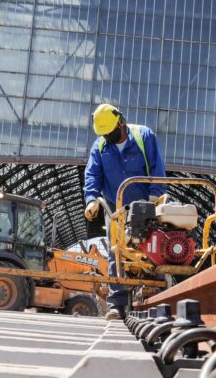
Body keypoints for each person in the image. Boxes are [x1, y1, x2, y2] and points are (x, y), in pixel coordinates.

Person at [83, 103, 166, 321]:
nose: (108, 137)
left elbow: (157, 169)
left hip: (147, 205)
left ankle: (155, 295)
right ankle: (117, 305)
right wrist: (92, 199)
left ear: (121, 122)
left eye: (110, 133)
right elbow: (92, 174)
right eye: (104, 134)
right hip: (117, 209)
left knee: (154, 250)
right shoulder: (100, 146)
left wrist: (153, 200)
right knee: (116, 253)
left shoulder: (144, 136)